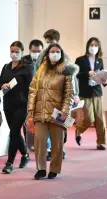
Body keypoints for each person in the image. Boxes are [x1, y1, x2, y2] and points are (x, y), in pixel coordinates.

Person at [26, 43, 77, 180]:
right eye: (52, 51)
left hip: (58, 113)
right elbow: (32, 91)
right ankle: (41, 168)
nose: (54, 54)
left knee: (57, 143)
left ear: (61, 54)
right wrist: (31, 111)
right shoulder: (41, 70)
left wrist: (65, 110)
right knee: (39, 140)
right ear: (47, 54)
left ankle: (54, 168)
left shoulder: (66, 71)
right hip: (40, 112)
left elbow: (69, 94)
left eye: (57, 51)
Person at [35, 29, 79, 161]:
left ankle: (61, 148)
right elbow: (36, 75)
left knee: (59, 124)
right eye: (47, 42)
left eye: (51, 42)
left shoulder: (64, 56)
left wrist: (75, 94)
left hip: (60, 96)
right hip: (45, 95)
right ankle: (49, 149)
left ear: (57, 41)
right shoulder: (42, 56)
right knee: (46, 123)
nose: (49, 45)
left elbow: (71, 76)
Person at [0, 41, 34, 174]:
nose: (14, 54)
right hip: (8, 104)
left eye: (17, 51)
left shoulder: (27, 68)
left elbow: (32, 88)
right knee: (15, 132)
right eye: (12, 51)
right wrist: (3, 85)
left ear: (22, 52)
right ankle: (25, 155)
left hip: (22, 105)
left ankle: (9, 163)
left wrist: (31, 107)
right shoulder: (6, 67)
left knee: (13, 133)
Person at [75, 37, 107, 150]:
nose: (93, 47)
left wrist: (104, 80)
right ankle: (79, 130)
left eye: (95, 45)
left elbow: (102, 73)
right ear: (88, 46)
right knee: (89, 118)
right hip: (85, 91)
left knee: (100, 118)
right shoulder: (80, 60)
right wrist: (87, 73)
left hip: (97, 91)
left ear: (98, 47)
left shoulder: (100, 60)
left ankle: (101, 142)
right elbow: (76, 75)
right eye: (91, 45)